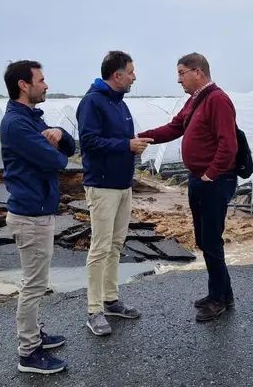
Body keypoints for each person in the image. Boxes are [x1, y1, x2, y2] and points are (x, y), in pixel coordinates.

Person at [137, 52, 239, 322]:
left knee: (212, 241)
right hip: (199, 179)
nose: (179, 79)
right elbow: (174, 127)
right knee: (205, 240)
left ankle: (218, 300)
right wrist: (142, 137)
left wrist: (211, 174)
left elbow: (228, 144)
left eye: (182, 73)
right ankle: (223, 293)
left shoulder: (217, 100)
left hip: (214, 182)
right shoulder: (195, 100)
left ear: (198, 72)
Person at [0, 60, 76, 374]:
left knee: (36, 282)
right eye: (41, 80)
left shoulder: (31, 118)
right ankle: (29, 352)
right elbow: (56, 161)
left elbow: (68, 148)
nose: (46, 85)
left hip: (38, 211)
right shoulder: (17, 124)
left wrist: (60, 133)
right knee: (33, 286)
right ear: (24, 85)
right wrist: (53, 147)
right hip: (30, 216)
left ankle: (33, 334)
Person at [76, 50, 153, 335]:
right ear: (116, 75)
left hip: (123, 184)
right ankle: (94, 310)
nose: (134, 77)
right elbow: (88, 142)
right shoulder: (92, 102)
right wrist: (126, 146)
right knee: (100, 247)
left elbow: (119, 141)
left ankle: (110, 300)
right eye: (130, 72)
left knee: (116, 244)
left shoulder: (120, 104)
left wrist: (132, 147)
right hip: (102, 185)